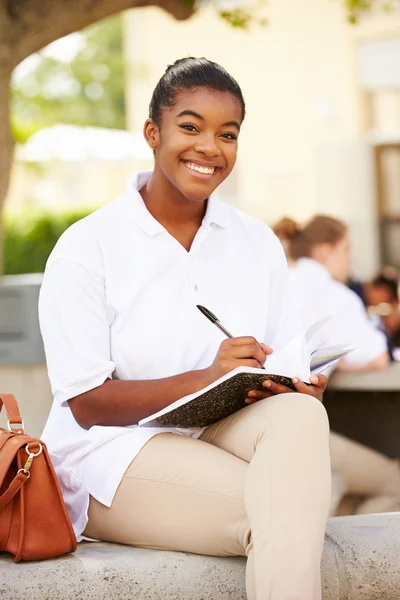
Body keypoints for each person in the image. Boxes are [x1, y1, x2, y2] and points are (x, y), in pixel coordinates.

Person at [38, 57, 331, 600]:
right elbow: (86, 403)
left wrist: (297, 380)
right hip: (110, 454)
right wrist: (207, 375)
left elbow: (288, 353)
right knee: (285, 512)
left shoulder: (256, 240)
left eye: (228, 134)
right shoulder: (88, 246)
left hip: (220, 429)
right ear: (153, 132)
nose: (209, 148)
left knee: (300, 413)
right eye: (190, 127)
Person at [273, 215, 400, 515]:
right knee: (393, 482)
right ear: (323, 250)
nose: (351, 260)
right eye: (347, 249)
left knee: (349, 494)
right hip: (296, 431)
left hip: (249, 426)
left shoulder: (279, 280)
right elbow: (375, 356)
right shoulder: (332, 294)